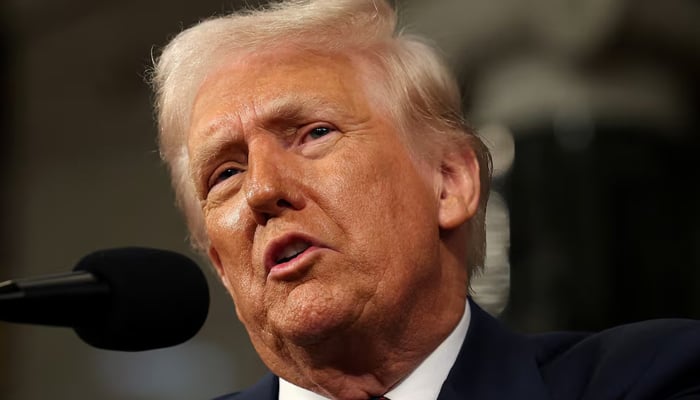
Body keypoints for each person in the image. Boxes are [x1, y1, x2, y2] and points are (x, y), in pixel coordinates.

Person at [150, 1, 700, 399]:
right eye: (225, 173)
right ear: (220, 264)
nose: (263, 190)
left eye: (314, 133)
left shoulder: (658, 375)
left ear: (450, 182)